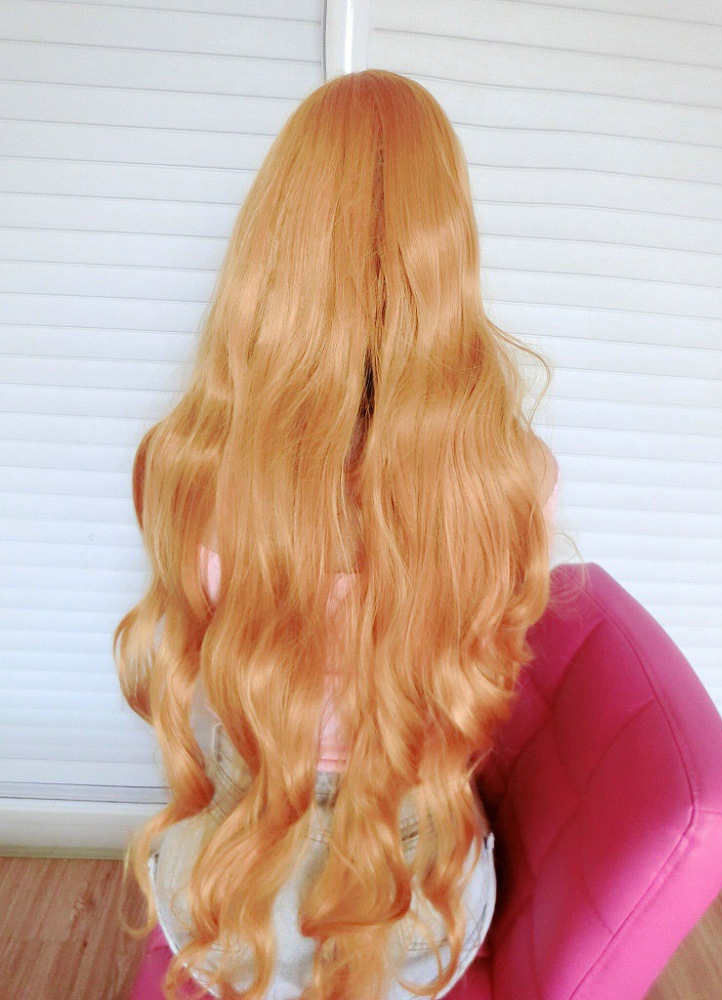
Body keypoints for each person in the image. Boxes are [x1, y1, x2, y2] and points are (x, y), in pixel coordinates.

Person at [115, 68, 568, 1000]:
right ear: (447, 254)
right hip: (420, 886)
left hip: (240, 868)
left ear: (273, 241)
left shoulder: (180, 465)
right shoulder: (510, 479)